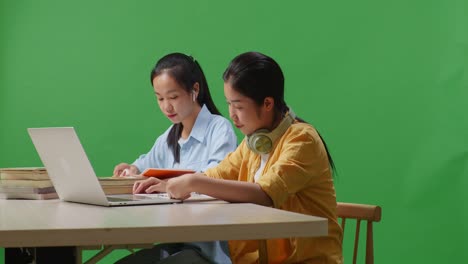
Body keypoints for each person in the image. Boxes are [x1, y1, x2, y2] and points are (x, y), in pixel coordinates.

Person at [134, 51, 343, 264]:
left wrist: (194, 182)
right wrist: (167, 184)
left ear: (268, 103)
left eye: (239, 106)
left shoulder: (302, 139)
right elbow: (216, 174)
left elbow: (265, 194)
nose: (232, 114)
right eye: (229, 104)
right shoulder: (252, 143)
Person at [114, 52, 237, 264]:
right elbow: (144, 164)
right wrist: (131, 169)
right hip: (176, 242)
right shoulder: (170, 136)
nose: (166, 106)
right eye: (159, 98)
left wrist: (168, 185)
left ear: (194, 90)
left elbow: (217, 180)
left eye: (173, 97)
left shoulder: (219, 129)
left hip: (205, 250)